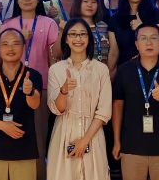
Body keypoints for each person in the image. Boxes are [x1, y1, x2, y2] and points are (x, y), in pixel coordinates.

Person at [0, 0, 60, 179]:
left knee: (38, 135)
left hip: (40, 87)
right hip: (9, 87)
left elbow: (55, 56)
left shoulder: (48, 23)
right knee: (11, 132)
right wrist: (19, 38)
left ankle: (39, 174)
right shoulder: (8, 25)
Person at [111, 24, 159, 180]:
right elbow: (117, 106)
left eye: (153, 38)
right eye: (143, 39)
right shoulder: (125, 70)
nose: (149, 43)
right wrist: (116, 141)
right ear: (136, 44)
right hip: (131, 147)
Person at [47, 18, 113, 180]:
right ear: (66, 39)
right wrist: (63, 91)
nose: (78, 38)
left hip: (93, 134)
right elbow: (57, 109)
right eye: (73, 34)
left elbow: (104, 110)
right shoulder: (56, 70)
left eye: (83, 34)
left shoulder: (101, 70)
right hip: (64, 134)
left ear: (89, 39)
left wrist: (84, 140)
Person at [0, 29, 43, 180]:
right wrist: (2, 125)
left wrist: (30, 92)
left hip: (24, 151)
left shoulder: (33, 75)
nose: (10, 48)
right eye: (5, 44)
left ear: (23, 47)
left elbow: (35, 104)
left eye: (15, 44)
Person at [108, 0, 159, 67]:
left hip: (153, 68)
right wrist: (108, 72)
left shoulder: (157, 14)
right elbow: (113, 53)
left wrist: (141, 27)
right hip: (125, 70)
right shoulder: (116, 18)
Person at [61, 0, 115, 72]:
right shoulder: (70, 27)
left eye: (93, 2)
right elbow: (59, 53)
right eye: (85, 1)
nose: (90, 5)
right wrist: (62, 31)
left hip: (102, 73)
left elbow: (112, 51)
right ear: (77, 3)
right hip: (78, 73)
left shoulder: (104, 26)